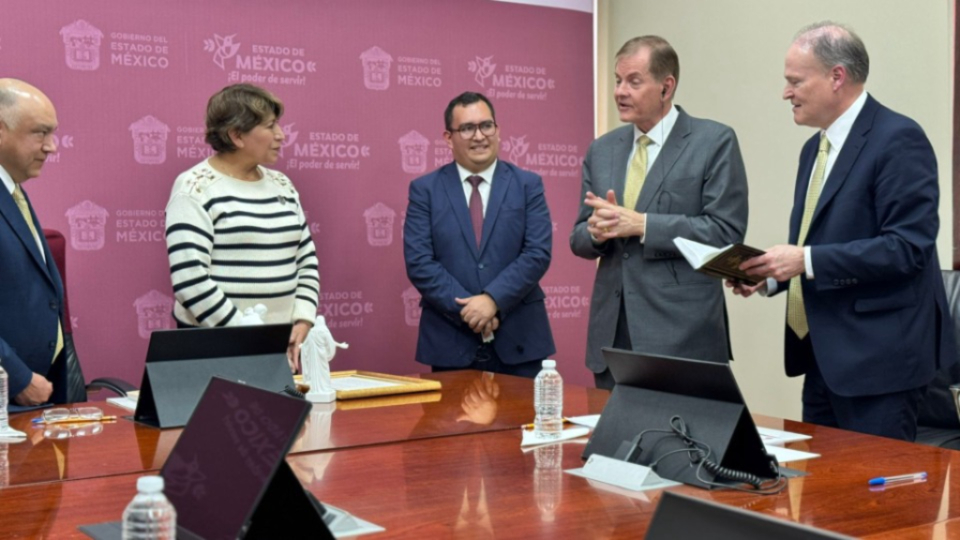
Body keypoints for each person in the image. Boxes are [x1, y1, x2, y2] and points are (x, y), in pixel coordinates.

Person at [731, 22, 954, 441]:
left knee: (878, 485)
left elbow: (907, 248)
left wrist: (803, 260)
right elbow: (820, 246)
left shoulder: (898, 138)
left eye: (795, 81)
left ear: (837, 77)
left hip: (880, 365)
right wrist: (772, 275)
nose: (785, 93)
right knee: (819, 483)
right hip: (822, 359)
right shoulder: (812, 150)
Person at [570, 36, 749, 389]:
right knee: (612, 427)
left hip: (683, 336)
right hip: (613, 335)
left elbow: (725, 234)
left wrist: (644, 225)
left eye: (633, 82)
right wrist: (596, 231)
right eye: (617, 80)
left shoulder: (713, 142)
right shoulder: (601, 150)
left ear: (666, 87)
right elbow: (578, 237)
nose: (620, 91)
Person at [165, 84, 319, 371]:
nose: (281, 135)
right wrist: (250, 339)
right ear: (236, 135)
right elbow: (190, 280)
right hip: (216, 350)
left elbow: (306, 259)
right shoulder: (194, 188)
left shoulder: (282, 185)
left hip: (277, 349)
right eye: (270, 126)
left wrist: (303, 319)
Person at [403, 91, 554, 378]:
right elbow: (420, 262)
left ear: (497, 130)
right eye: (467, 128)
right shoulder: (425, 190)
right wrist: (471, 310)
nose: (479, 136)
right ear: (448, 138)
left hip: (520, 339)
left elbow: (537, 254)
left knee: (523, 411)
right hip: (451, 340)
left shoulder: (528, 185)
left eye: (486, 125)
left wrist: (493, 300)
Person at [0, 79, 65, 406]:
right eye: (40, 133)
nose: (51, 146)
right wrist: (18, 378)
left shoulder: (13, 190)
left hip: (34, 398)